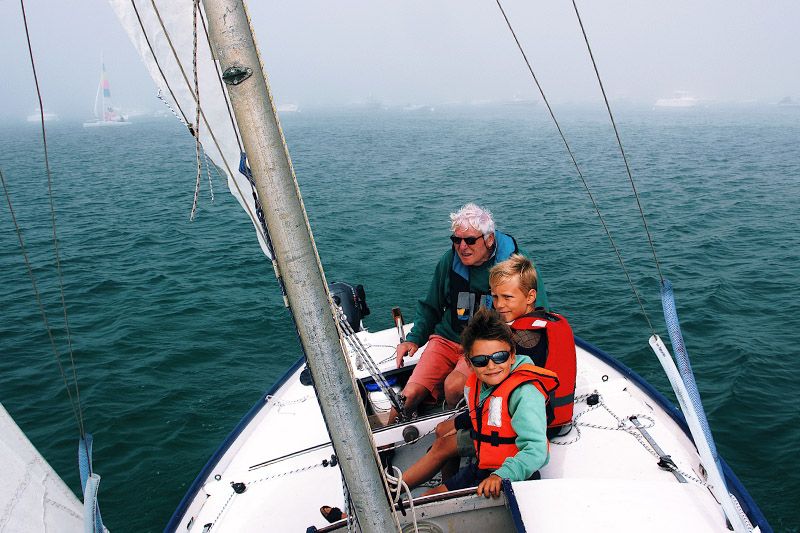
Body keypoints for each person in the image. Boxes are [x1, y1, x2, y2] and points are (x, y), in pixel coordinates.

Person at [400, 254, 576, 489]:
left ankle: (428, 490)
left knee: (443, 440)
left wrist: (461, 421)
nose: (499, 304)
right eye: (495, 297)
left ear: (530, 296)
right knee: (445, 431)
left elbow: (499, 399)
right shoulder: (540, 324)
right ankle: (448, 484)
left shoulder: (521, 342)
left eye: (507, 297)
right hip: (539, 416)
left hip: (520, 426)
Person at [392, 203, 548, 421]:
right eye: (457, 240)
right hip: (448, 337)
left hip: (484, 343)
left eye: (470, 240)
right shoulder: (449, 261)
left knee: (454, 386)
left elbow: (537, 314)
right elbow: (432, 305)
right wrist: (414, 339)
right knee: (406, 398)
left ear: (489, 239)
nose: (462, 246)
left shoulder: (515, 266)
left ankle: (460, 429)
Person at [422, 307, 558, 497]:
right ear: (470, 363)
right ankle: (393, 489)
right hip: (481, 467)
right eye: (480, 360)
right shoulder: (477, 385)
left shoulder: (525, 393)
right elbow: (481, 416)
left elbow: (536, 450)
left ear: (512, 356)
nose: (491, 366)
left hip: (512, 477)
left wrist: (500, 476)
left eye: (500, 357)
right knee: (427, 497)